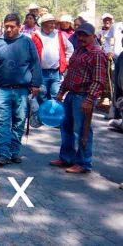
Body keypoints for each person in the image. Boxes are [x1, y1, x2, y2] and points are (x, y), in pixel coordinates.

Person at [0, 14, 42, 167]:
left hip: (22, 90)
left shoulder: (27, 42)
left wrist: (36, 84)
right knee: (2, 122)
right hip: (2, 90)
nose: (9, 29)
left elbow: (35, 63)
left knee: (19, 122)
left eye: (12, 26)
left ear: (18, 26)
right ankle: (3, 153)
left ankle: (14, 151)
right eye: (6, 26)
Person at [50, 23, 106, 174]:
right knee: (66, 127)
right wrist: (62, 91)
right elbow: (71, 74)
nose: (81, 38)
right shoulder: (79, 50)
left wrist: (89, 100)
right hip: (71, 94)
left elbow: (98, 80)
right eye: (79, 35)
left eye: (85, 35)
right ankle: (66, 157)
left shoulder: (97, 53)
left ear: (93, 36)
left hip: (84, 96)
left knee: (83, 131)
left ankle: (83, 163)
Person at [31, 13, 74, 103]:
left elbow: (70, 48)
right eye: (50, 23)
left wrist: (66, 61)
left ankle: (54, 115)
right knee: (42, 95)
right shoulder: (35, 35)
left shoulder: (59, 34)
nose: (53, 25)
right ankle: (44, 115)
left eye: (54, 23)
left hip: (56, 72)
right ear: (43, 24)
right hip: (41, 72)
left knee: (56, 95)